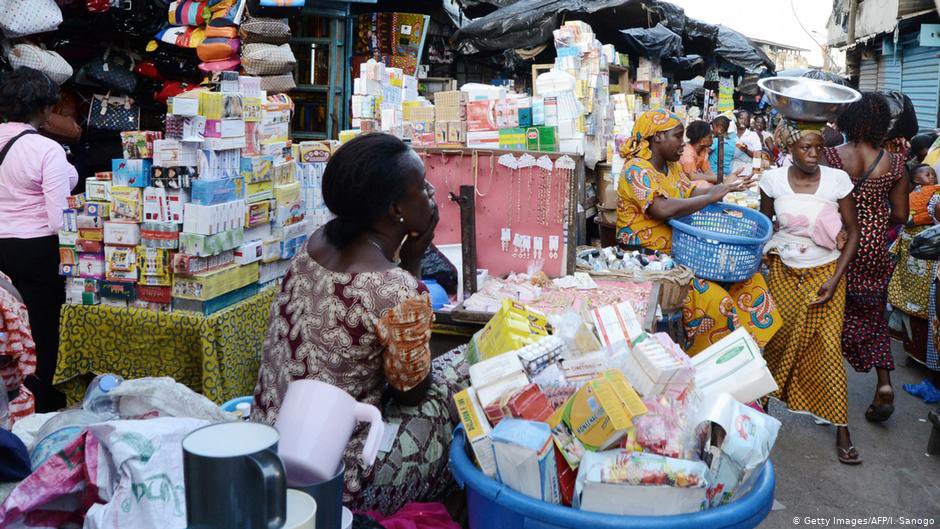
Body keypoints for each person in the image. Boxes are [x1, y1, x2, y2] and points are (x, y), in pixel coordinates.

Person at [251, 133, 467, 513]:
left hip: (267, 445)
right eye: (421, 186)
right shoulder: (394, 289)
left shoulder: (315, 243)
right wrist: (414, 263)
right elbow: (410, 391)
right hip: (336, 473)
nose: (432, 192)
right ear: (396, 210)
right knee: (460, 385)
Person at [615, 109, 782, 355]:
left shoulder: (671, 168)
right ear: (657, 137)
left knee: (750, 282)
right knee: (715, 298)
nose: (682, 144)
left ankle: (748, 354)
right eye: (677, 136)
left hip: (682, 254)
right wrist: (709, 197)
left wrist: (723, 188)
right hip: (652, 262)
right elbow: (661, 208)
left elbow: (690, 192)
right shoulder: (635, 170)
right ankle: (713, 359)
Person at [760, 120, 861, 464]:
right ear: (789, 149)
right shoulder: (772, 181)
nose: (814, 154)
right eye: (806, 147)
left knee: (828, 348)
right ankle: (757, 410)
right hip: (784, 272)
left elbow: (853, 231)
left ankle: (841, 428)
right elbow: (765, 225)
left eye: (819, 147)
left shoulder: (837, 181)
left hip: (826, 273)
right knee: (776, 339)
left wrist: (835, 280)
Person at [822, 92, 909, 423]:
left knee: (831, 314)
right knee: (872, 314)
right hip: (872, 246)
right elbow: (900, 214)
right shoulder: (897, 163)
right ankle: (884, 384)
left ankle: (827, 390)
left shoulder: (830, 156)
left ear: (849, 120)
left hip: (836, 239)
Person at [0, 67, 78, 412]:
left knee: (5, 328)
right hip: (35, 252)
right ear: (46, 111)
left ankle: (9, 398)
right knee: (41, 330)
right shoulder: (47, 150)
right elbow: (58, 219)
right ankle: (40, 404)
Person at [888, 164, 940, 400]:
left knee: (934, 318)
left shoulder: (935, 195)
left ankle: (934, 384)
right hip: (918, 258)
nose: (931, 177)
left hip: (927, 263)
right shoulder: (916, 195)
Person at [679, 120, 717, 185]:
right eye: (710, 137)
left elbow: (707, 171)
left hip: (690, 183)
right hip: (681, 184)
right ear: (701, 140)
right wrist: (717, 179)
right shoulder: (687, 151)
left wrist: (718, 178)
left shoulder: (703, 150)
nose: (712, 139)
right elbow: (692, 177)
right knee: (704, 184)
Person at [732, 110, 764, 176]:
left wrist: (755, 174)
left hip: (747, 172)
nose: (743, 121)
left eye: (746, 119)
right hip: (731, 171)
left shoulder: (753, 135)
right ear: (736, 120)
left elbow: (757, 156)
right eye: (741, 118)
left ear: (748, 122)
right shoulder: (731, 134)